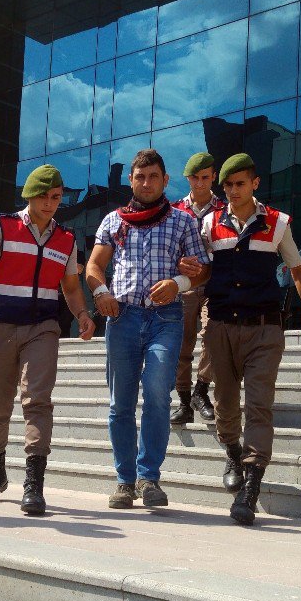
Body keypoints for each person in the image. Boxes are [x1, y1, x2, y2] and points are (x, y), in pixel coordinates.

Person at [0, 164, 94, 515]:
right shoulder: (0, 227)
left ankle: (34, 484)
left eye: (56, 197)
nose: (50, 204)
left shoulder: (66, 239)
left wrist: (81, 314)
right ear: (29, 196)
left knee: (37, 400)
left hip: (42, 326)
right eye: (43, 196)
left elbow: (70, 286)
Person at [197, 153, 301, 526]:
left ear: (255, 183)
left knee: (260, 406)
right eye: (228, 185)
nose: (233, 191)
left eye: (240, 184)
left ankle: (251, 485)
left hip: (264, 329)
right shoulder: (209, 224)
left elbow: (297, 271)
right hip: (220, 328)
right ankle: (233, 452)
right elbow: (202, 269)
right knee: (225, 405)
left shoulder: (278, 223)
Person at [85, 149, 211, 509]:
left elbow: (201, 269)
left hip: (165, 317)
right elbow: (93, 267)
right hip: (122, 317)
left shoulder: (183, 221)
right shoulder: (113, 221)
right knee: (119, 403)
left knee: (157, 393)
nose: (146, 182)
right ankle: (125, 482)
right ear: (131, 180)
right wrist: (100, 292)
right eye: (140, 176)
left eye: (153, 176)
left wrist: (179, 284)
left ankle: (149, 477)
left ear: (165, 180)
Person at [169, 152, 225, 425]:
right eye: (195, 178)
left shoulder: (225, 209)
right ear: (188, 178)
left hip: (215, 284)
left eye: (205, 177)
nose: (200, 183)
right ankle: (183, 401)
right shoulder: (175, 211)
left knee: (214, 335)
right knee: (182, 343)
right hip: (185, 285)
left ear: (213, 177)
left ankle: (201, 390)